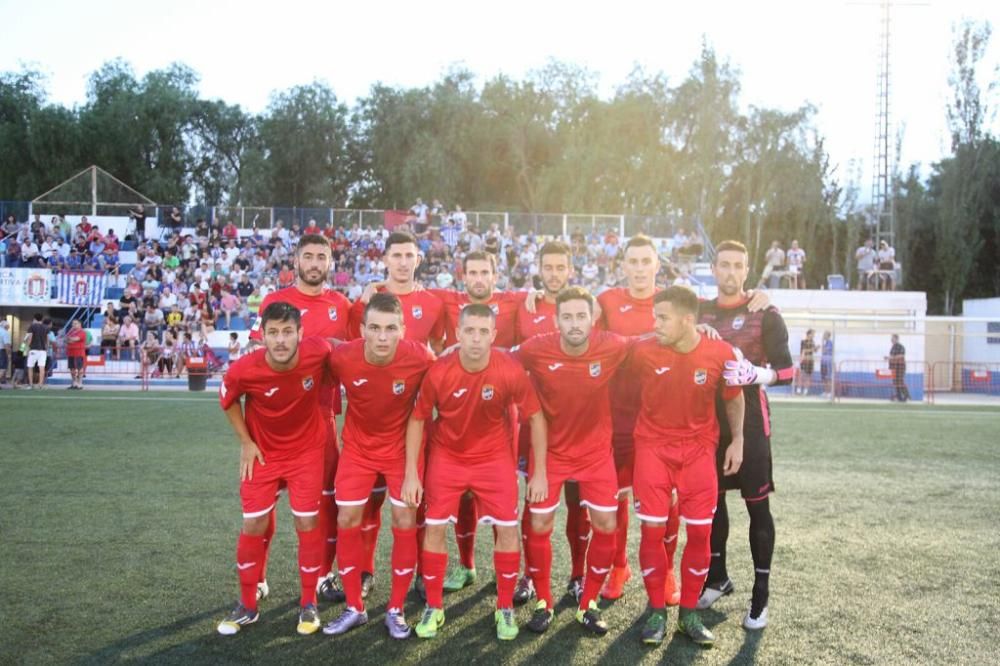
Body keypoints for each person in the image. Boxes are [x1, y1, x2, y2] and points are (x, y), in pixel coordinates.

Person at [403, 304, 548, 641]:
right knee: (435, 528)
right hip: (447, 457)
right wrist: (412, 472)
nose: (476, 339)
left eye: (484, 332)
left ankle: (504, 607)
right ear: (458, 333)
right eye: (470, 331)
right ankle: (435, 607)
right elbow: (417, 418)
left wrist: (538, 472)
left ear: (494, 336)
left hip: (494, 459)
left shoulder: (509, 369)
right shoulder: (439, 371)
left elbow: (536, 417)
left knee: (508, 529)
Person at [630, 286, 745, 647]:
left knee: (699, 534)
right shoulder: (643, 349)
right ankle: (656, 611)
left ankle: (689, 615)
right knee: (652, 531)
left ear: (688, 320)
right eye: (654, 317)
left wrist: (738, 439)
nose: (656, 324)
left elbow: (734, 396)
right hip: (652, 448)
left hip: (698, 452)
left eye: (662, 318)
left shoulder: (719, 352)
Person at [514, 286, 632, 636]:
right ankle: (544, 602)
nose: (575, 323)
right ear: (556, 320)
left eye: (581, 316)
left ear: (593, 317)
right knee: (538, 525)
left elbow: (650, 340)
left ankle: (588, 604)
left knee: (607, 526)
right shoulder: (537, 348)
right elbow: (499, 357)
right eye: (568, 316)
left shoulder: (612, 345)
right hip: (550, 454)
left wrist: (699, 330)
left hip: (596, 455)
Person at [216, 302, 333, 636]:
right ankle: (247, 605)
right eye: (273, 333)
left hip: (307, 452)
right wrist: (246, 442)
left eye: (287, 332)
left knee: (307, 520)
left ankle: (308, 602)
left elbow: (342, 360)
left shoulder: (318, 352)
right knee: (253, 522)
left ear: (300, 333)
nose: (280, 340)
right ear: (262, 336)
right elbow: (227, 401)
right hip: (264, 455)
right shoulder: (244, 369)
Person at [322, 294, 435, 639]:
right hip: (358, 449)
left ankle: (396, 609)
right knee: (347, 518)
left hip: (402, 450)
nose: (382, 337)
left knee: (404, 519)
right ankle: (355, 607)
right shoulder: (342, 358)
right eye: (374, 328)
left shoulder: (420, 357)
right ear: (362, 330)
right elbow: (312, 352)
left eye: (390, 328)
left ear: (403, 329)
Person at [697, 240, 795, 631]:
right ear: (714, 268)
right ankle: (717, 577)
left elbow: (788, 373)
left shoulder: (765, 313)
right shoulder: (699, 311)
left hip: (752, 422)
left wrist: (758, 373)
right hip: (706, 423)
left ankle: (761, 595)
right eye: (724, 264)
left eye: (738, 265)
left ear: (747, 269)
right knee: (713, 502)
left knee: (757, 507)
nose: (731, 271)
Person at [248, 234, 351, 605]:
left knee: (327, 501)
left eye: (321, 257)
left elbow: (356, 352)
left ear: (330, 263)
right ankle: (257, 578)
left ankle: (323, 575)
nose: (314, 263)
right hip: (272, 419)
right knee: (265, 503)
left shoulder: (342, 305)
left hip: (322, 417)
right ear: (295, 260)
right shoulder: (275, 301)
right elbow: (254, 358)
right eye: (307, 256)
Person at [346, 231, 446, 599]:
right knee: (369, 502)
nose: (403, 262)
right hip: (371, 423)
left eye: (409, 255)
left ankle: (419, 570)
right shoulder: (367, 301)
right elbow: (350, 347)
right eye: (396, 255)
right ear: (384, 259)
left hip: (418, 421)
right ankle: (365, 570)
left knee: (414, 500)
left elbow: (438, 350)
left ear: (418, 259)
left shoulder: (433, 303)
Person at [24, 313, 49, 389]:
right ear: (42, 319)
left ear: (34, 319)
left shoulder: (32, 326)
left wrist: (27, 348)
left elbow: (29, 338)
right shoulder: (46, 327)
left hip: (33, 349)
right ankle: (40, 384)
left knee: (30, 367)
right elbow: (47, 340)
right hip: (43, 350)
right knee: (42, 368)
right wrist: (46, 349)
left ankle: (31, 384)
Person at [65, 319, 88, 390]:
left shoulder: (82, 332)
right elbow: (66, 340)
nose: (74, 325)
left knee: (79, 368)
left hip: (79, 352)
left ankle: (80, 383)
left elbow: (76, 339)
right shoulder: (71, 332)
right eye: (73, 324)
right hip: (71, 352)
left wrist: (70, 339)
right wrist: (70, 339)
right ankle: (74, 383)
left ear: (80, 324)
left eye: (75, 323)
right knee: (72, 368)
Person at [887, 334, 909, 402]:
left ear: (897, 339)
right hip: (894, 367)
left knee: (900, 382)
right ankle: (899, 397)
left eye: (892, 338)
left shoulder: (901, 346)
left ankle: (906, 395)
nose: (891, 340)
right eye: (891, 338)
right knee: (895, 382)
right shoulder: (892, 347)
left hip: (900, 367)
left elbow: (901, 355)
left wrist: (892, 357)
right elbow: (891, 356)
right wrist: (888, 358)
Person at [797, 329, 818, 395]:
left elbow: (814, 351)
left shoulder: (813, 342)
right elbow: (804, 351)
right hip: (804, 360)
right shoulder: (803, 341)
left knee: (808, 376)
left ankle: (805, 391)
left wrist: (816, 348)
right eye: (812, 334)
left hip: (810, 361)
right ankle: (799, 390)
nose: (813, 335)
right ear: (808, 334)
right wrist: (812, 349)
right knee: (801, 375)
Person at [820, 331, 834, 397]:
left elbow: (824, 350)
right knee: (824, 378)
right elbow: (823, 351)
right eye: (823, 335)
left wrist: (823, 346)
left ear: (828, 336)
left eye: (825, 335)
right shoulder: (825, 343)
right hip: (823, 362)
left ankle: (829, 392)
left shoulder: (830, 343)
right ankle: (825, 392)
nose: (823, 336)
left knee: (828, 378)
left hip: (828, 362)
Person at [0, 320, 11, 385]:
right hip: (2, 351)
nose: (8, 328)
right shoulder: (5, 333)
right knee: (2, 368)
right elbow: (6, 345)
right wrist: (9, 355)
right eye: (8, 327)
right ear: (6, 326)